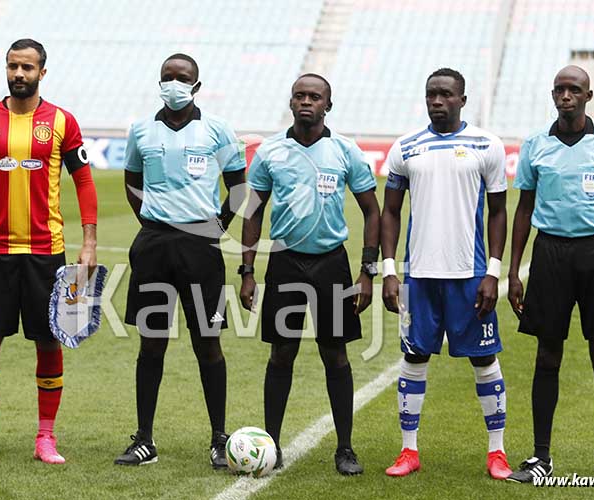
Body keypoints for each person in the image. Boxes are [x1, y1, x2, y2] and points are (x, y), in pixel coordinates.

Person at [0, 39, 97, 465]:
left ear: (42, 73)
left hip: (45, 253)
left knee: (49, 342)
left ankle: (45, 438)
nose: (19, 74)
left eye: (27, 68)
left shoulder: (61, 121)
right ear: (6, 68)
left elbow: (84, 181)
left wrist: (89, 243)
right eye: (13, 66)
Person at [506, 65, 594, 486]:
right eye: (560, 90)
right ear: (553, 96)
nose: (566, 96)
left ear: (588, 96)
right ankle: (540, 458)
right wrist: (514, 272)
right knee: (547, 355)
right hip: (550, 255)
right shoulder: (535, 144)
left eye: (574, 90)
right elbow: (524, 210)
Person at [240, 73, 380, 475]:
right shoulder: (270, 151)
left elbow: (372, 210)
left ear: (327, 105)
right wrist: (247, 271)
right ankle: (270, 445)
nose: (306, 102)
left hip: (331, 263)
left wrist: (367, 270)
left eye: (315, 96)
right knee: (281, 353)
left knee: (335, 354)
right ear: (291, 102)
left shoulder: (345, 152)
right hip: (284, 264)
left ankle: (346, 448)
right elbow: (253, 211)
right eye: (299, 95)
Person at [116, 53, 246, 468]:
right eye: (167, 77)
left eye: (182, 78)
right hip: (154, 245)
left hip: (200, 247)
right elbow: (132, 182)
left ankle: (218, 437)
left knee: (208, 344)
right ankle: (144, 439)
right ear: (159, 82)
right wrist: (152, 224)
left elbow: (239, 187)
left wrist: (216, 227)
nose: (174, 84)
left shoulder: (217, 130)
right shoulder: (141, 130)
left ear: (196, 85)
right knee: (151, 343)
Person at [381, 68, 512, 480]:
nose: (437, 101)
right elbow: (390, 212)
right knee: (414, 356)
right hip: (419, 275)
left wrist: (493, 271)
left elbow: (498, 211)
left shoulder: (486, 145)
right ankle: (408, 450)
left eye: (445, 95)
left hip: (470, 273)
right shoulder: (406, 148)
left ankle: (497, 452)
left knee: (484, 358)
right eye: (431, 95)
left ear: (462, 100)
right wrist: (388, 270)